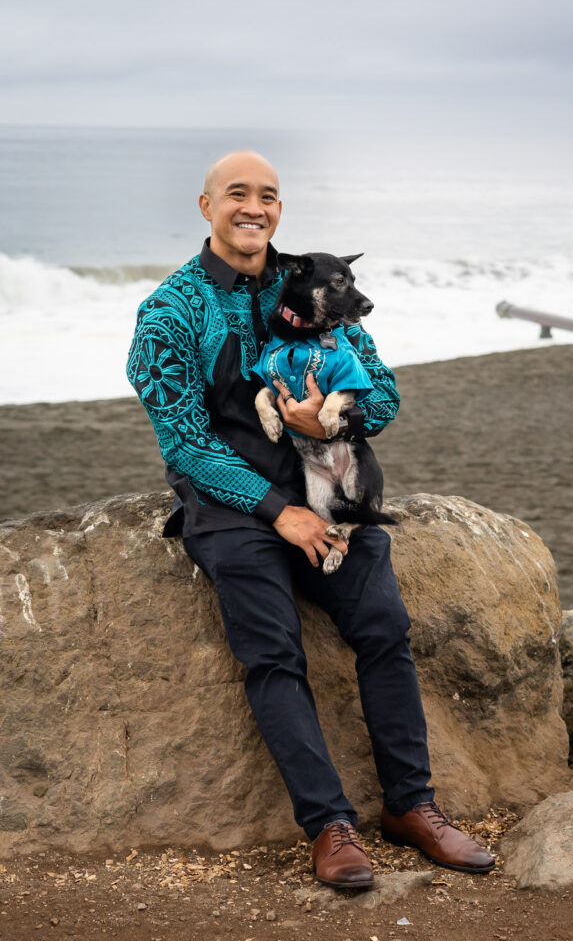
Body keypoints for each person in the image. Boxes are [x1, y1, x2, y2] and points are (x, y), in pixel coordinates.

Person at [126, 150, 494, 887]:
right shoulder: (169, 311)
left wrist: (328, 433)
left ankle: (411, 807)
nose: (253, 207)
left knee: (384, 628)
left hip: (327, 492)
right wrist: (277, 512)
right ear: (207, 208)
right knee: (273, 655)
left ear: (279, 212)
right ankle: (328, 825)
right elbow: (185, 444)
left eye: (268, 196)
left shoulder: (317, 289)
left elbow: (382, 396)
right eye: (237, 194)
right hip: (232, 509)